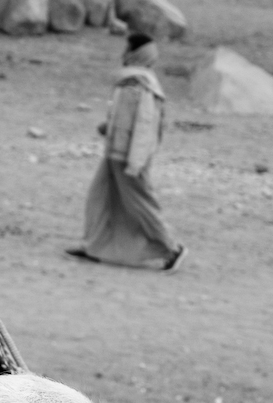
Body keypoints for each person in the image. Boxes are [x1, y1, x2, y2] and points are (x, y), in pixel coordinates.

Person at [66, 34, 187, 272]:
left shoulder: (144, 86)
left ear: (137, 53)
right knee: (100, 200)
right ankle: (95, 247)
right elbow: (125, 118)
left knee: (141, 205)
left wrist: (136, 163)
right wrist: (108, 128)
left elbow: (145, 128)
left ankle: (172, 249)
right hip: (114, 155)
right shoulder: (129, 82)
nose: (123, 54)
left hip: (129, 160)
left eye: (128, 49)